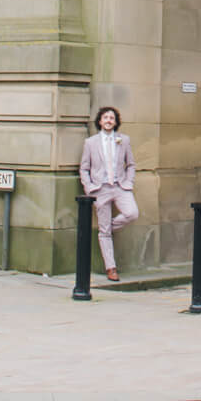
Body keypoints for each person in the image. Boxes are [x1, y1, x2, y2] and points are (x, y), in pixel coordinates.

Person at [78, 106, 139, 282]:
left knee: (132, 213)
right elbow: (84, 168)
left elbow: (131, 164)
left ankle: (107, 230)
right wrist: (89, 187)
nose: (108, 120)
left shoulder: (124, 140)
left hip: (120, 186)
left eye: (112, 118)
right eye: (105, 117)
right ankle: (111, 268)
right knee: (104, 233)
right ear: (100, 121)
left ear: (116, 121)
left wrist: (129, 182)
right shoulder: (91, 142)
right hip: (100, 189)